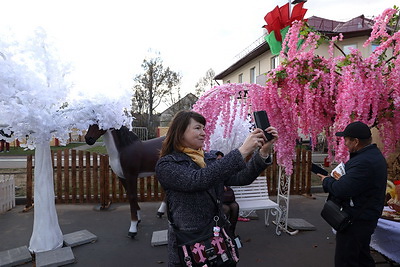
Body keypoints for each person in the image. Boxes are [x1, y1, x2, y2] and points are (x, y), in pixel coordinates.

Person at [155, 110, 278, 267]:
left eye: (204, 129)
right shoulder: (167, 165)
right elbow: (197, 180)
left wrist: (264, 151)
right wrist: (242, 151)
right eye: (197, 128)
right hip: (189, 242)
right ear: (180, 132)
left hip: (218, 238)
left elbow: (242, 177)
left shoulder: (209, 159)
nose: (203, 133)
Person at [319, 121, 387, 267]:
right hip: (364, 216)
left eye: (346, 140)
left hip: (357, 220)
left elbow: (342, 189)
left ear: (356, 141)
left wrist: (327, 181)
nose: (345, 144)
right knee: (362, 257)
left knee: (347, 260)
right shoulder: (371, 156)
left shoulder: (364, 162)